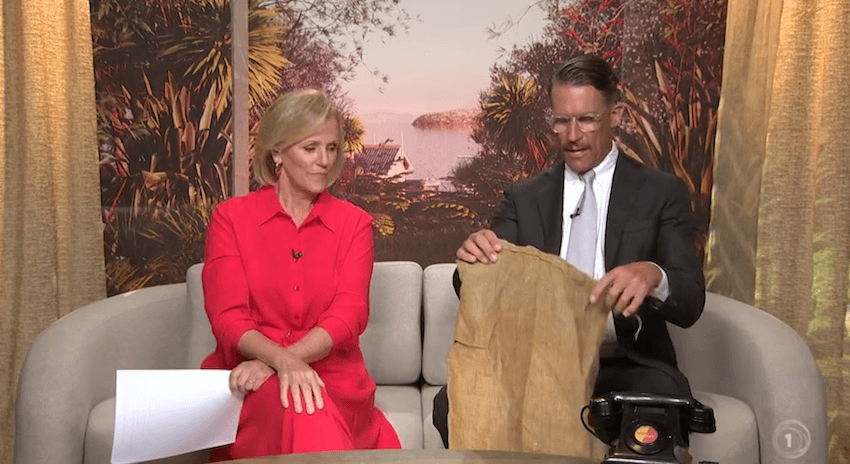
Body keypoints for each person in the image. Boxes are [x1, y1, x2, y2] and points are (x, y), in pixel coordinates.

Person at [433, 54, 706, 447]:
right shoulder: (524, 197)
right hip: (534, 363)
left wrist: (653, 275)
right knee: (451, 404)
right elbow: (473, 285)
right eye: (562, 120)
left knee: (658, 408)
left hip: (626, 363)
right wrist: (475, 259)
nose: (573, 135)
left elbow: (690, 299)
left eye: (587, 119)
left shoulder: (661, 192)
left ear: (616, 115)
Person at [201, 89, 401, 460]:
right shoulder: (230, 219)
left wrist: (280, 361)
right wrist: (281, 362)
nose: (324, 161)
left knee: (301, 399)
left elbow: (349, 315)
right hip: (250, 381)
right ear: (277, 152)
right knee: (293, 401)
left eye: (331, 148)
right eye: (311, 148)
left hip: (333, 381)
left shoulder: (354, 224)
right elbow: (227, 317)